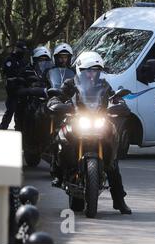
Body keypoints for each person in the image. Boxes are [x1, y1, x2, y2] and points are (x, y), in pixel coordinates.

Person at [47, 52, 132, 214]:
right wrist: (55, 102)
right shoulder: (70, 83)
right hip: (78, 119)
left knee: (113, 164)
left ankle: (119, 200)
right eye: (89, 70)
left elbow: (114, 98)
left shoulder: (104, 85)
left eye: (96, 71)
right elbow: (59, 95)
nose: (92, 74)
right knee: (60, 137)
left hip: (100, 120)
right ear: (80, 70)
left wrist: (119, 103)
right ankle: (58, 171)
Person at [0, 40, 29, 130]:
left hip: (23, 89)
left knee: (21, 111)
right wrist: (17, 77)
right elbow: (7, 72)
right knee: (11, 109)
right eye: (21, 50)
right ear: (16, 49)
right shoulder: (10, 59)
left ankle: (19, 129)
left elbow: (27, 73)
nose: (22, 53)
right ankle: (3, 128)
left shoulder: (23, 61)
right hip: (13, 90)